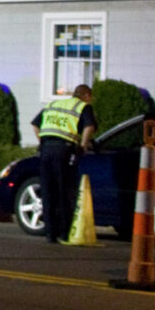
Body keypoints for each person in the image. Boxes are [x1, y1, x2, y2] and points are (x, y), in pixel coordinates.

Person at [31, 84, 97, 243]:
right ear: (86, 96)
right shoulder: (83, 107)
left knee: (48, 191)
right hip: (64, 151)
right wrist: (83, 145)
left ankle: (50, 233)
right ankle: (64, 232)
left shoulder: (54, 104)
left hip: (46, 150)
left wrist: (42, 142)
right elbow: (89, 127)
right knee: (64, 191)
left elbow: (35, 124)